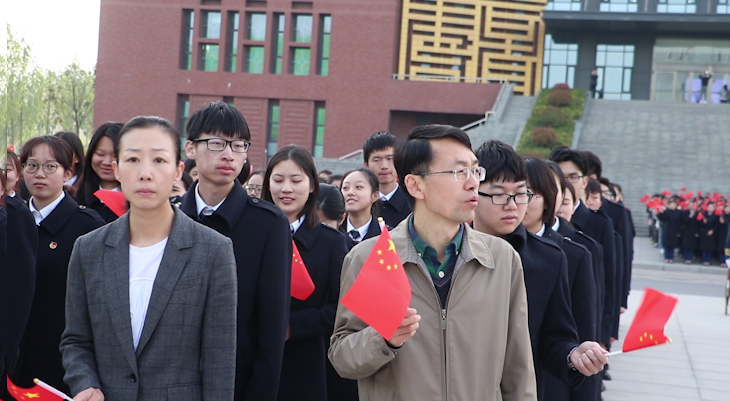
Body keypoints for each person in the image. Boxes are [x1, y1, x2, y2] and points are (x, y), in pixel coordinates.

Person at [330, 125, 537, 400]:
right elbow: (342, 357)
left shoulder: (501, 259)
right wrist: (383, 339)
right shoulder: (371, 258)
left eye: (475, 170)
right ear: (416, 185)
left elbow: (518, 369)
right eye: (458, 171)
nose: (473, 182)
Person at [60, 116, 238, 401]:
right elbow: (76, 340)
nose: (145, 173)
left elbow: (220, 358)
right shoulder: (89, 249)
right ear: (116, 169)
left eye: (158, 160)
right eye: (132, 160)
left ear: (178, 170)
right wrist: (85, 383)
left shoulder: (213, 250)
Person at [473, 141, 605, 400]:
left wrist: (572, 354)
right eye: (499, 194)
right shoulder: (449, 250)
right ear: (472, 193)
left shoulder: (549, 257)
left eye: (521, 194)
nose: (512, 205)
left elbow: (555, 336)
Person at [179, 101, 291, 401]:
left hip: (236, 385)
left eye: (239, 145)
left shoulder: (268, 224)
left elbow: (272, 330)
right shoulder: (169, 217)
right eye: (216, 143)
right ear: (190, 149)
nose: (229, 154)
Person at [14, 136, 105, 395]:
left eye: (50, 166)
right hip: (12, 354)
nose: (39, 174)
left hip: (59, 358)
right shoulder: (10, 220)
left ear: (67, 173)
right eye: (31, 166)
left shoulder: (87, 226)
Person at [262, 145, 348, 401]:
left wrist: (291, 327)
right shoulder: (253, 233)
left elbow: (341, 308)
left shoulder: (331, 242)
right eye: (278, 180)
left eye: (296, 180)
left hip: (306, 362)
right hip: (255, 359)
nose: (286, 188)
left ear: (312, 186)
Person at [524, 157, 599, 401]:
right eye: (507, 193)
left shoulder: (572, 254)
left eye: (528, 194)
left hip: (550, 381)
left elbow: (580, 332)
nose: (517, 203)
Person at [548, 146, 617, 353]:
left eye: (573, 177)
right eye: (560, 176)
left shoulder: (600, 223)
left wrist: (605, 334)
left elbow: (608, 281)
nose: (566, 183)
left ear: (584, 181)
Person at [75, 122, 124, 223]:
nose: (107, 162)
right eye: (100, 154)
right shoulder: (75, 199)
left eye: (115, 155)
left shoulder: (137, 205)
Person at [363, 131, 411, 227]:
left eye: (390, 159)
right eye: (377, 160)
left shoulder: (413, 200)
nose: (384, 166)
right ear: (366, 165)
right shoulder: (361, 202)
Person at [340, 168, 383, 250]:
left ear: (375, 196)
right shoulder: (333, 231)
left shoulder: (386, 235)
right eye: (345, 188)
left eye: (358, 187)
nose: (350, 192)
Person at [657, 199, 683, 263]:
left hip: (675, 230)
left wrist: (679, 231)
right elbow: (662, 218)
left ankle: (671, 257)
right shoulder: (666, 212)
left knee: (673, 245)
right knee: (666, 245)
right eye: (671, 205)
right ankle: (666, 257)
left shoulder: (679, 212)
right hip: (667, 229)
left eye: (674, 204)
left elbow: (680, 223)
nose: (672, 206)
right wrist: (661, 212)